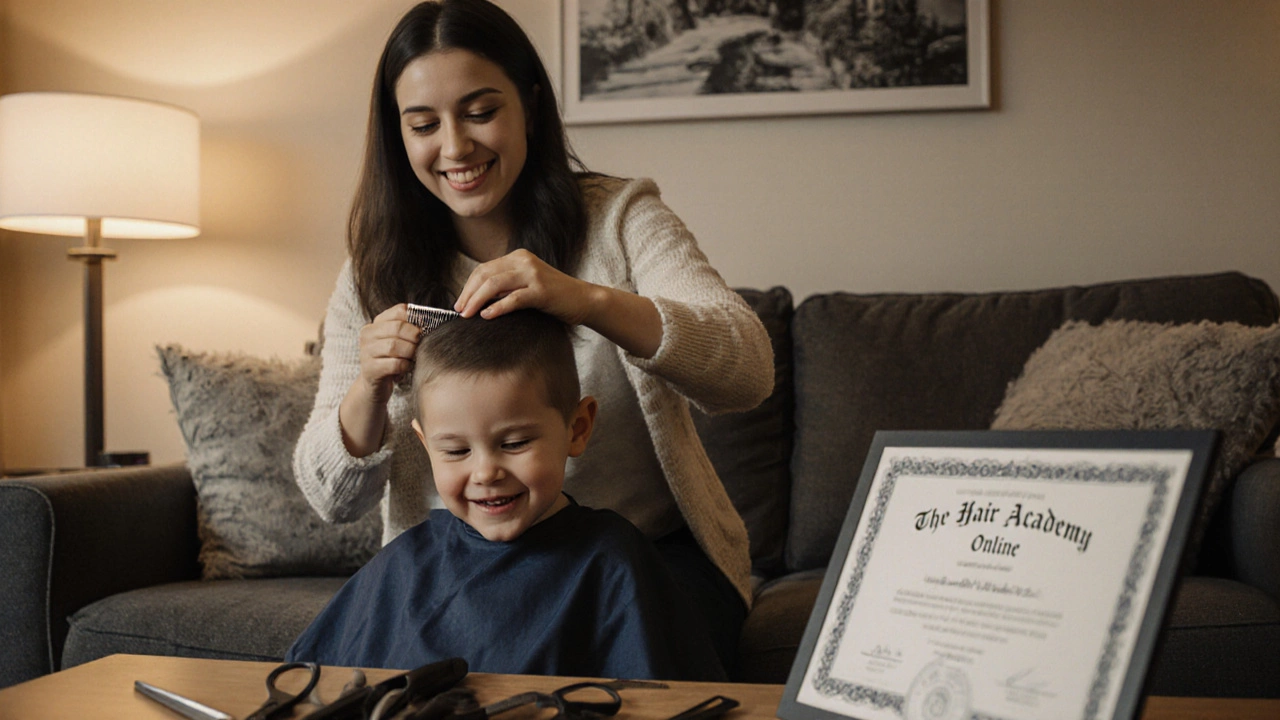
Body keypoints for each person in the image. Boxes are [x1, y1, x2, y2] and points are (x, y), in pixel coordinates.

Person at [292, 0, 773, 673]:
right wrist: (368, 390)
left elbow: (747, 371)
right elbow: (328, 497)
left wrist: (587, 300)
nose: (455, 147)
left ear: (531, 106)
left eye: (481, 112)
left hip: (637, 567)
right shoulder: (373, 272)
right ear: (397, 137)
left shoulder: (621, 218)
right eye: (424, 124)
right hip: (456, 570)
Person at [287, 311, 726, 679]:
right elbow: (309, 684)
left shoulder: (611, 561)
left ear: (577, 429)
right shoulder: (404, 563)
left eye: (514, 444)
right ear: (425, 446)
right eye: (456, 450)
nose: (486, 472)